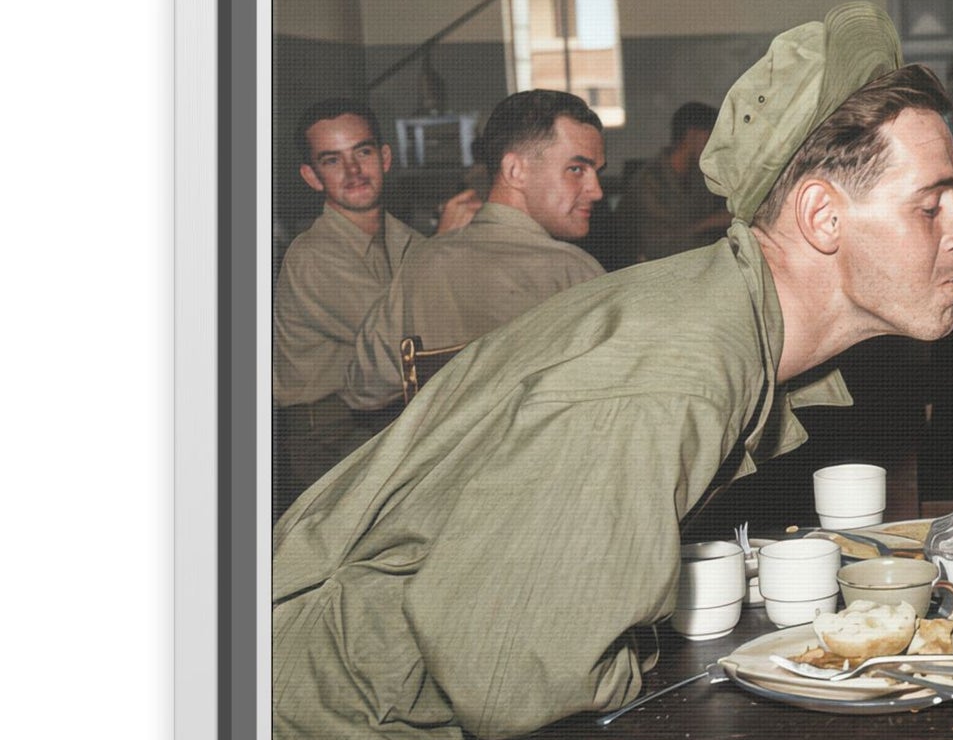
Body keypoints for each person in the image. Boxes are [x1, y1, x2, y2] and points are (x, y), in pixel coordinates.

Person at [271, 4, 953, 740]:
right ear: (821, 216)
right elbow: (508, 675)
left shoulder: (709, 311)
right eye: (931, 204)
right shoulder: (679, 374)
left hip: (387, 732)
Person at [340, 89, 608, 411]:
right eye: (576, 169)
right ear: (515, 171)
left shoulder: (420, 263)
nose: (596, 191)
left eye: (597, 172)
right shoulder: (575, 273)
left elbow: (363, 390)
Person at [272, 98, 475, 510]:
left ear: (384, 158)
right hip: (328, 435)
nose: (352, 171)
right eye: (332, 161)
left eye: (362, 152)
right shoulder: (313, 256)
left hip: (388, 418)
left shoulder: (406, 241)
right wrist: (444, 247)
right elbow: (402, 338)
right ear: (312, 177)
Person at [622, 100, 731, 261]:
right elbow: (659, 246)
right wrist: (707, 224)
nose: (715, 146)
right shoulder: (649, 182)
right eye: (711, 136)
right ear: (692, 135)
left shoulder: (699, 178)